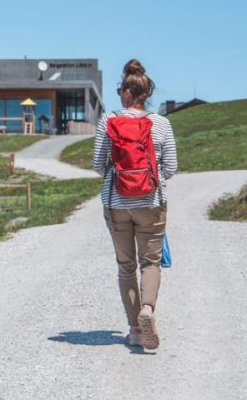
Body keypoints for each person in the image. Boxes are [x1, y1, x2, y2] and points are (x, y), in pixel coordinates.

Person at [91, 59, 177, 350]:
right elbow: (171, 167)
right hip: (151, 203)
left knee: (126, 266)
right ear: (146, 94)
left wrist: (115, 178)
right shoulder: (162, 123)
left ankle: (135, 330)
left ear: (126, 92)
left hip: (117, 204)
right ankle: (148, 310)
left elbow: (96, 164)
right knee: (150, 262)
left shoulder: (108, 120)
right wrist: (152, 182)